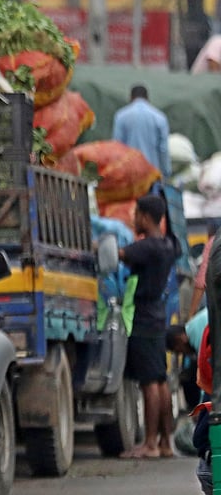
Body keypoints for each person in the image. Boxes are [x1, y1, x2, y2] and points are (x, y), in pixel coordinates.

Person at [119, 194, 180, 459]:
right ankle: (165, 442)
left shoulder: (147, 247)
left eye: (136, 215)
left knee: (149, 383)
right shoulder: (169, 245)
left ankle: (150, 443)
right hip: (158, 315)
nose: (133, 219)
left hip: (143, 318)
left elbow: (120, 253)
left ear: (145, 217)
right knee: (160, 379)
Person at [112, 85, 171, 179]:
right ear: (147, 98)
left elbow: (117, 146)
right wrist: (165, 172)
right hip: (150, 173)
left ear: (131, 97)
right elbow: (163, 149)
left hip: (129, 173)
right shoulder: (160, 117)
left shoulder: (121, 116)